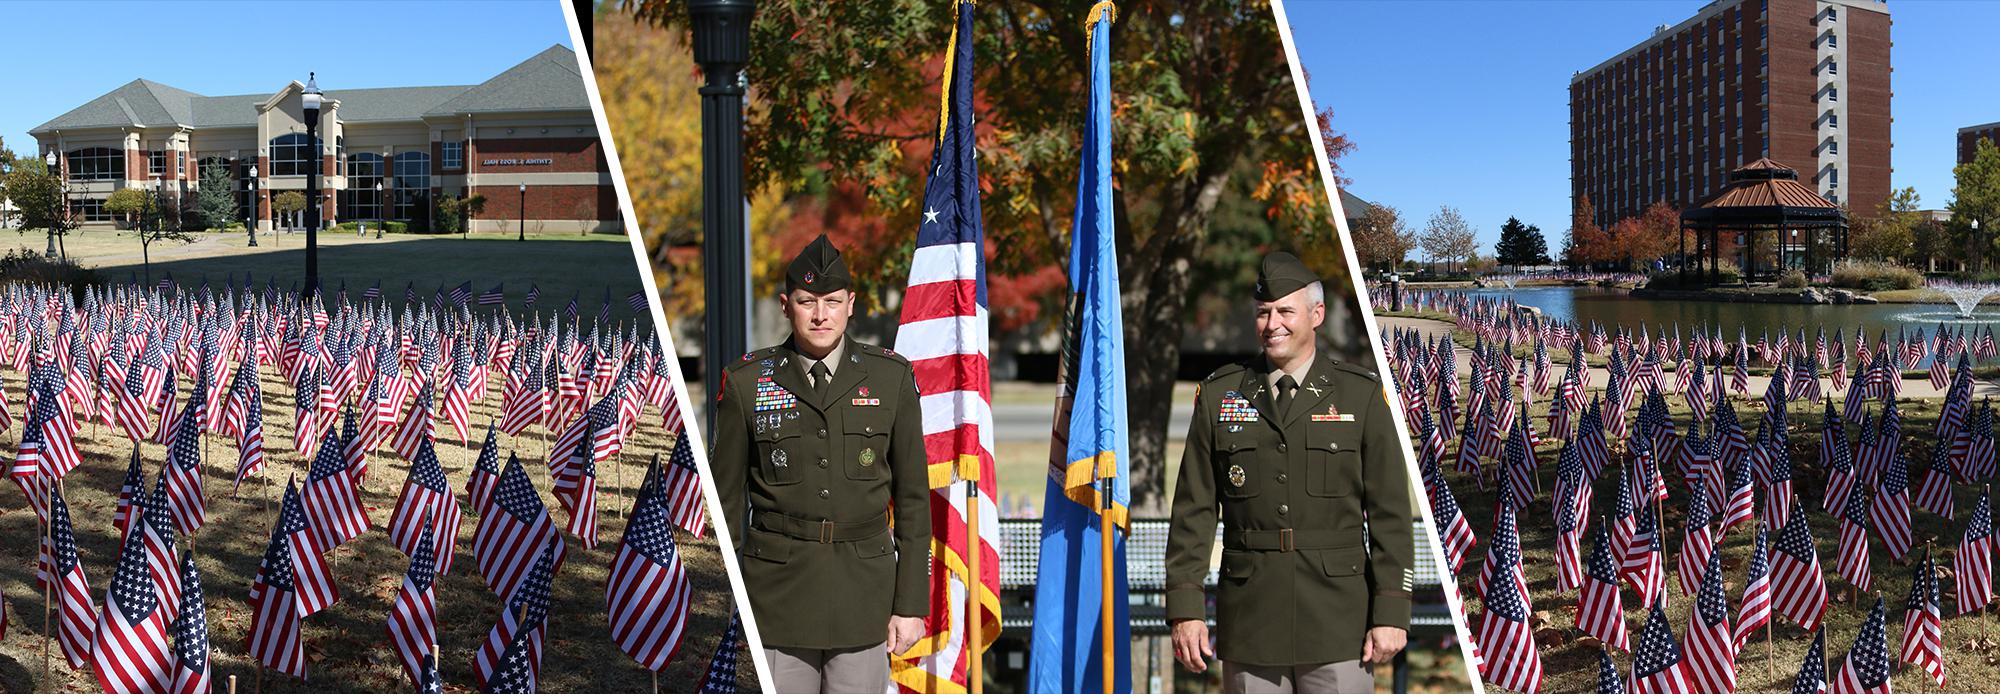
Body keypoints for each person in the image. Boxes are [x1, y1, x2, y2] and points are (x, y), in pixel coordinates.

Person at [1165, 251, 1413, 694]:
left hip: (1339, 622)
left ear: (1316, 315)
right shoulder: (1219, 396)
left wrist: (1392, 612)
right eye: (1263, 312)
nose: (1271, 323)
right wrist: (1186, 608)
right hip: (1251, 619)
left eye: (1284, 311)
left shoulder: (1361, 396)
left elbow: (1390, 513)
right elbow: (1193, 511)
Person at [710, 234, 932, 693]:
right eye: (806, 301)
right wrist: (729, 599)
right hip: (776, 599)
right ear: (785, 305)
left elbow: (912, 499)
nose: (819, 314)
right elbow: (726, 502)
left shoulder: (891, 378)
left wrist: (910, 604)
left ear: (851, 304)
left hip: (863, 599)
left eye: (832, 302)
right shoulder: (746, 382)